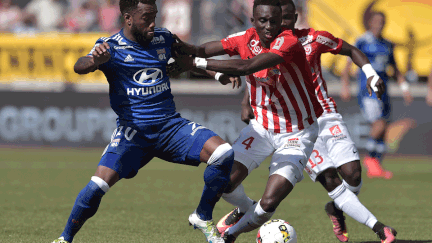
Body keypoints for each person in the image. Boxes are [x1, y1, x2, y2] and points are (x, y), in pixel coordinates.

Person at [50, 0, 241, 242]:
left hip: (171, 127)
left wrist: (217, 73)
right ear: (128, 18)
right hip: (134, 134)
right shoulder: (111, 47)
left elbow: (186, 60)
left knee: (223, 153)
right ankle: (64, 239)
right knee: (98, 185)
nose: (153, 24)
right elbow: (80, 66)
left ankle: (202, 216)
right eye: (146, 18)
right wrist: (96, 61)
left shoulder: (163, 38)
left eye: (155, 17)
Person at [228, 1, 397, 242]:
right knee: (331, 180)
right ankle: (378, 227)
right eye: (277, 19)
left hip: (326, 114)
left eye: (286, 18)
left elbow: (350, 50)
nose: (281, 24)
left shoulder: (313, 39)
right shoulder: (267, 45)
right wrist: (247, 102)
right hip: (298, 124)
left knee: (354, 174)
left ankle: (337, 209)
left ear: (295, 18)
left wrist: (371, 74)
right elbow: (258, 74)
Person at [170, 0, 325, 241]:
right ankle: (244, 207)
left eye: (275, 21)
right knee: (224, 181)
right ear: (253, 21)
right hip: (262, 128)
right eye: (263, 21)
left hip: (297, 133)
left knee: (270, 201)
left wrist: (193, 63)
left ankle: (230, 234)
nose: (269, 26)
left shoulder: (288, 42)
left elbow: (247, 66)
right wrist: (183, 47)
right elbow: (204, 49)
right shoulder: (245, 37)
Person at [341, 11, 413, 179]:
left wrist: (404, 88)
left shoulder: (387, 44)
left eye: (382, 21)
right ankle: (369, 159)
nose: (379, 24)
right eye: (376, 21)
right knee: (379, 124)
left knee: (385, 126)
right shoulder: (362, 41)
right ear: (370, 23)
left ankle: (376, 165)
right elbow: (348, 65)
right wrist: (345, 85)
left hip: (384, 91)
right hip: (368, 91)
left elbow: (395, 69)